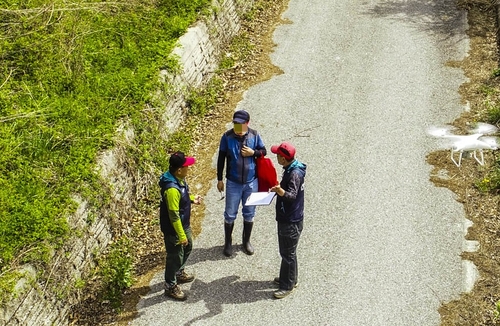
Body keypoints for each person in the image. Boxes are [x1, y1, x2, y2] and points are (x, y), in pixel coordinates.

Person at [217, 109, 267, 256]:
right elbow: (221, 159)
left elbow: (263, 151)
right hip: (233, 183)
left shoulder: (254, 135)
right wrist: (219, 179)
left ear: (247, 123)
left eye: (241, 126)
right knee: (230, 214)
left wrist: (254, 153)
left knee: (250, 213)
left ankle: (246, 241)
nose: (238, 129)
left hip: (251, 182)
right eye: (235, 125)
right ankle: (228, 242)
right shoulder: (227, 137)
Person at [159, 151, 203, 301]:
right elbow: (173, 215)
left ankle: (179, 273)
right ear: (179, 170)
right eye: (186, 166)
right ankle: (170, 285)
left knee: (188, 247)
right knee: (175, 257)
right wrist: (181, 235)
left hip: (183, 224)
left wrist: (191, 199)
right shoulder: (171, 189)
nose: (188, 168)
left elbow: (181, 197)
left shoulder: (179, 179)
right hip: (175, 230)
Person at [269, 141, 306, 299]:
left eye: (278, 155)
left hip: (290, 220)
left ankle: (287, 285)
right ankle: (290, 278)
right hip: (292, 218)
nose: (276, 156)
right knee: (289, 252)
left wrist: (280, 191)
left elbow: (291, 196)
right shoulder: (292, 169)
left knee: (287, 253)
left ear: (283, 159)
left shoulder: (294, 174)